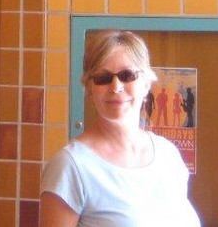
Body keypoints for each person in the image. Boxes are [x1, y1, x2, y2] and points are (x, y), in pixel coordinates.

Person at [40, 29, 201, 226]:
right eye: (103, 78)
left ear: (146, 84)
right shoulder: (71, 166)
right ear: (89, 89)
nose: (116, 87)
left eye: (127, 75)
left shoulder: (168, 155)